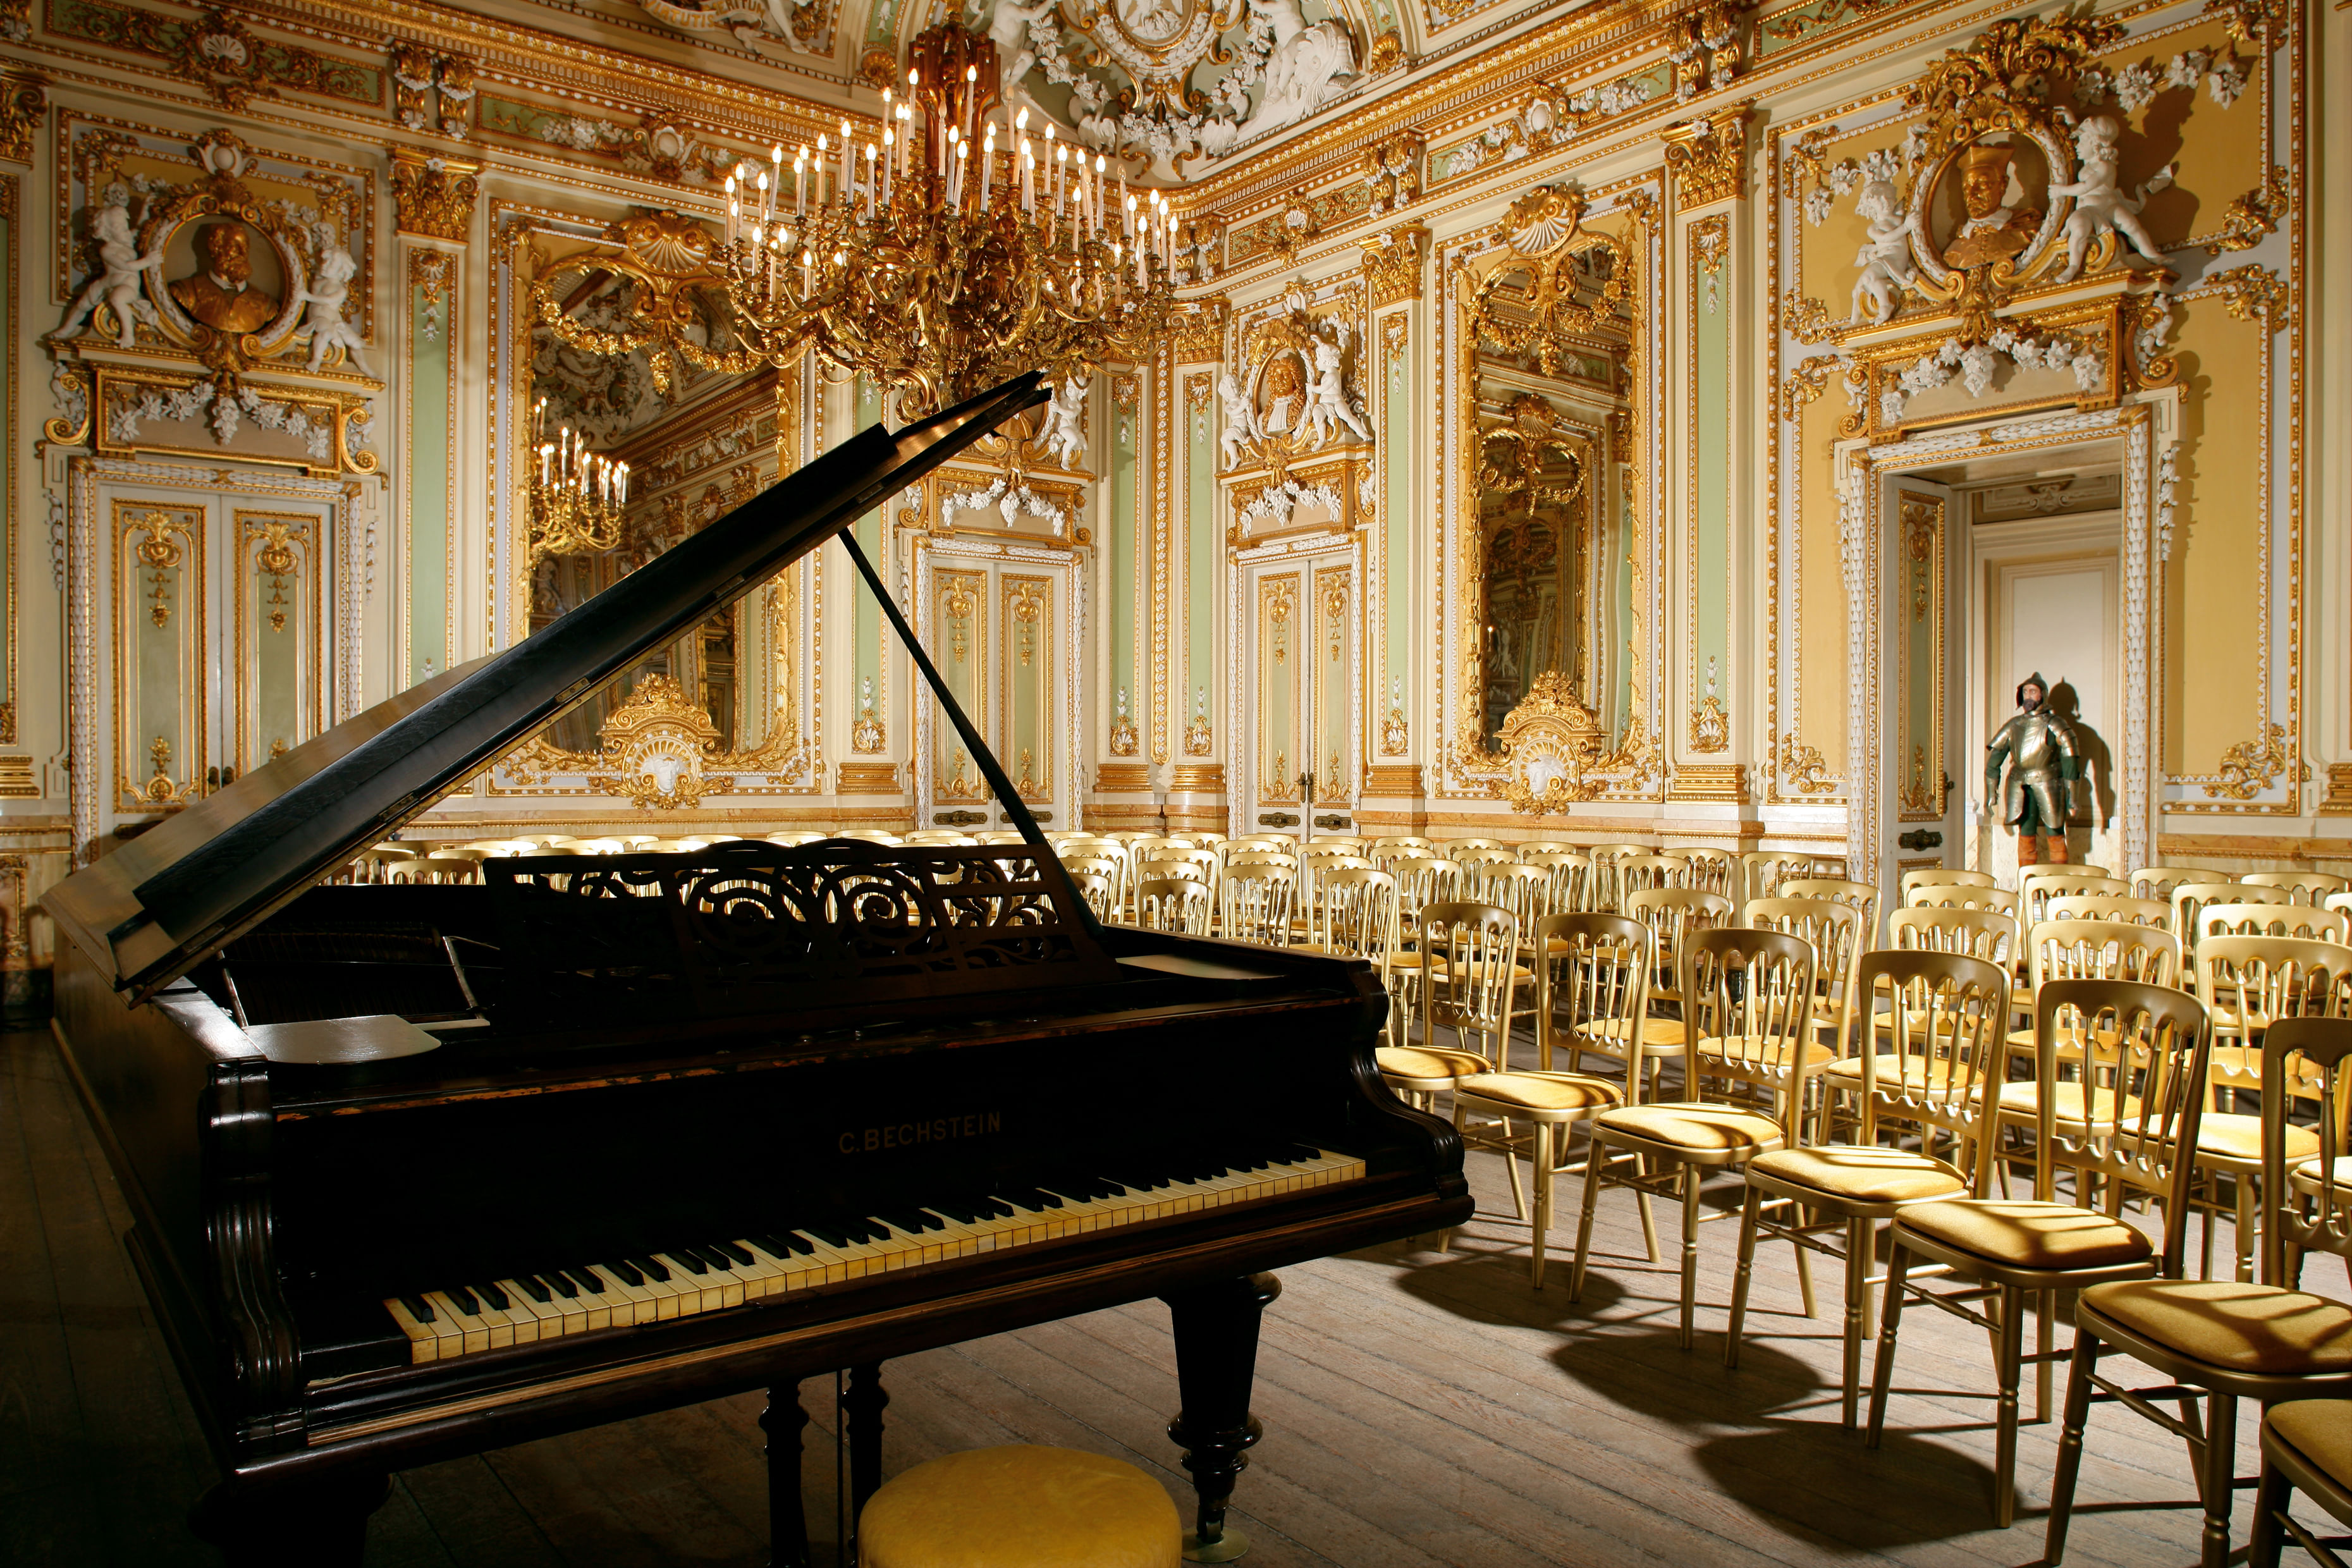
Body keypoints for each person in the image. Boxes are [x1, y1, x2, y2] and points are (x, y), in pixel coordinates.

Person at [1983, 671, 2079, 866]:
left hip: (2049, 782)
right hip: (2020, 784)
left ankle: (2059, 885)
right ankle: (2027, 883)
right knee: (2026, 832)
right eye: (2026, 691)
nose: (2028, 696)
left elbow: (2070, 759)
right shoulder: (2014, 725)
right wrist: (1991, 792)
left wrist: (2072, 798)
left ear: (2042, 695)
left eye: (2033, 691)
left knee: (2055, 833)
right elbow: (1995, 760)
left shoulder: (2055, 724)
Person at [55, 190, 167, 347]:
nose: (124, 229)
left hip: (128, 285)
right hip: (105, 283)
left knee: (118, 298)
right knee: (82, 305)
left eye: (125, 225)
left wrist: (145, 208)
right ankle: (67, 328)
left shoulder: (127, 242)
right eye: (118, 226)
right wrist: (147, 261)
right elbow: (125, 266)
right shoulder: (107, 250)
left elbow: (142, 227)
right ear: (106, 231)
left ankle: (128, 335)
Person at [1940, 142, 2042, 271]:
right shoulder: (1953, 251)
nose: (1972, 195)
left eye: (1982, 185)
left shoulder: (2028, 230)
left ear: (2003, 185)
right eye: (1966, 188)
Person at [168, 221, 280, 334]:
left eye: (245, 246)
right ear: (216, 248)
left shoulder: (266, 306)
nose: (243, 253)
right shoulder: (186, 293)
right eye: (234, 246)